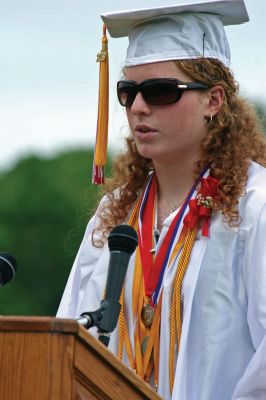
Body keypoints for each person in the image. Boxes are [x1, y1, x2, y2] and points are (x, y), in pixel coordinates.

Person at [57, 1, 266, 399]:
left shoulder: (254, 208)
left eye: (160, 91)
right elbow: (68, 341)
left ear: (214, 100)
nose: (138, 107)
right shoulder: (115, 213)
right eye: (128, 91)